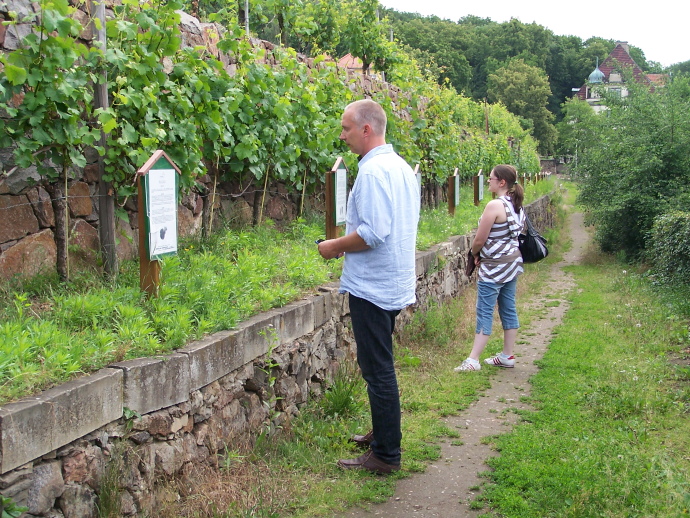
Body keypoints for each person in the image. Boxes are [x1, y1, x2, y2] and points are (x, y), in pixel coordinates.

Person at [317, 99, 420, 474]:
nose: (341, 135)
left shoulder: (374, 173)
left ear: (365, 129)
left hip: (373, 286)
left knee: (377, 369)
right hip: (392, 281)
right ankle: (382, 434)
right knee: (380, 365)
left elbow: (374, 233)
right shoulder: (400, 167)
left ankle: (385, 456)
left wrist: (333, 247)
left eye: (346, 128)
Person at [454, 164, 525, 372]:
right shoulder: (516, 204)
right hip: (512, 264)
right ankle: (507, 355)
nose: (488, 181)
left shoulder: (495, 206)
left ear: (501, 182)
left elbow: (479, 239)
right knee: (508, 307)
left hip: (494, 268)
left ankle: (473, 359)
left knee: (484, 310)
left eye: (491, 178)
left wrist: (475, 253)